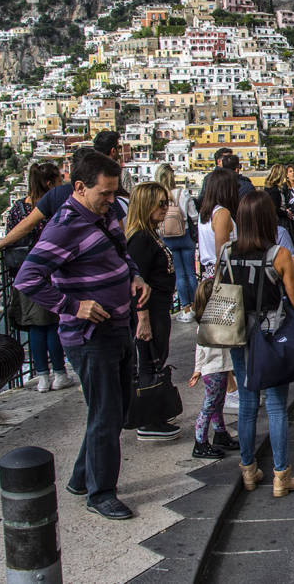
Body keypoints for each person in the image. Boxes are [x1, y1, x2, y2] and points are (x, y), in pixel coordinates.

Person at [15, 151, 150, 521]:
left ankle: (80, 477)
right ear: (79, 187)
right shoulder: (64, 226)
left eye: (113, 192)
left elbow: (122, 254)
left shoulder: (106, 216)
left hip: (117, 325)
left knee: (115, 409)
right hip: (91, 335)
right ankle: (101, 492)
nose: (111, 200)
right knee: (106, 414)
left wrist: (135, 276)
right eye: (104, 193)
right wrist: (74, 306)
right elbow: (27, 279)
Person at [227, 191, 294, 498]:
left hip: (237, 334)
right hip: (270, 335)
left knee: (247, 405)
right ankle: (281, 476)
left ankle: (248, 471)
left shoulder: (226, 252)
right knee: (275, 407)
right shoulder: (279, 255)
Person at [7, 162, 73, 393]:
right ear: (49, 183)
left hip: (24, 272)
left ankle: (42, 377)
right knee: (53, 324)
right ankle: (59, 373)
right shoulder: (55, 205)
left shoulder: (18, 209)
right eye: (57, 181)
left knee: (35, 327)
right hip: (51, 271)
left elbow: (12, 237)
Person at [0, 146, 127, 254]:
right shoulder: (105, 195)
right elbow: (119, 233)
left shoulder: (56, 194)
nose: (110, 198)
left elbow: (28, 224)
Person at [124, 182, 182, 442]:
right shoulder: (140, 239)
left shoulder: (149, 235)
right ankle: (149, 420)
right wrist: (143, 318)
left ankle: (155, 415)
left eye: (166, 202)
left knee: (156, 359)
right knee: (150, 361)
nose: (165, 208)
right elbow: (139, 283)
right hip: (152, 309)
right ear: (146, 205)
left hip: (160, 306)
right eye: (160, 203)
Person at [194, 167, 240, 450]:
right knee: (223, 351)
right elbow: (225, 252)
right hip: (221, 283)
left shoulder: (204, 214)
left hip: (208, 278)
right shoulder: (222, 213)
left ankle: (220, 430)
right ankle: (204, 436)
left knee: (217, 349)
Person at [188, 278, 241, 460]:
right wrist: (198, 369)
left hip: (216, 368)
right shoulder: (213, 324)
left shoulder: (206, 324)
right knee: (210, 405)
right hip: (214, 370)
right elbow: (201, 351)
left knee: (217, 403)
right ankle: (200, 442)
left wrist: (197, 369)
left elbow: (199, 351)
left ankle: (220, 433)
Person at [155, 164, 198, 323]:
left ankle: (186, 309)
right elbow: (193, 216)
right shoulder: (182, 193)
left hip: (167, 238)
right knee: (191, 272)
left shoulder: (157, 196)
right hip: (185, 234)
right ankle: (196, 305)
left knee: (179, 274)